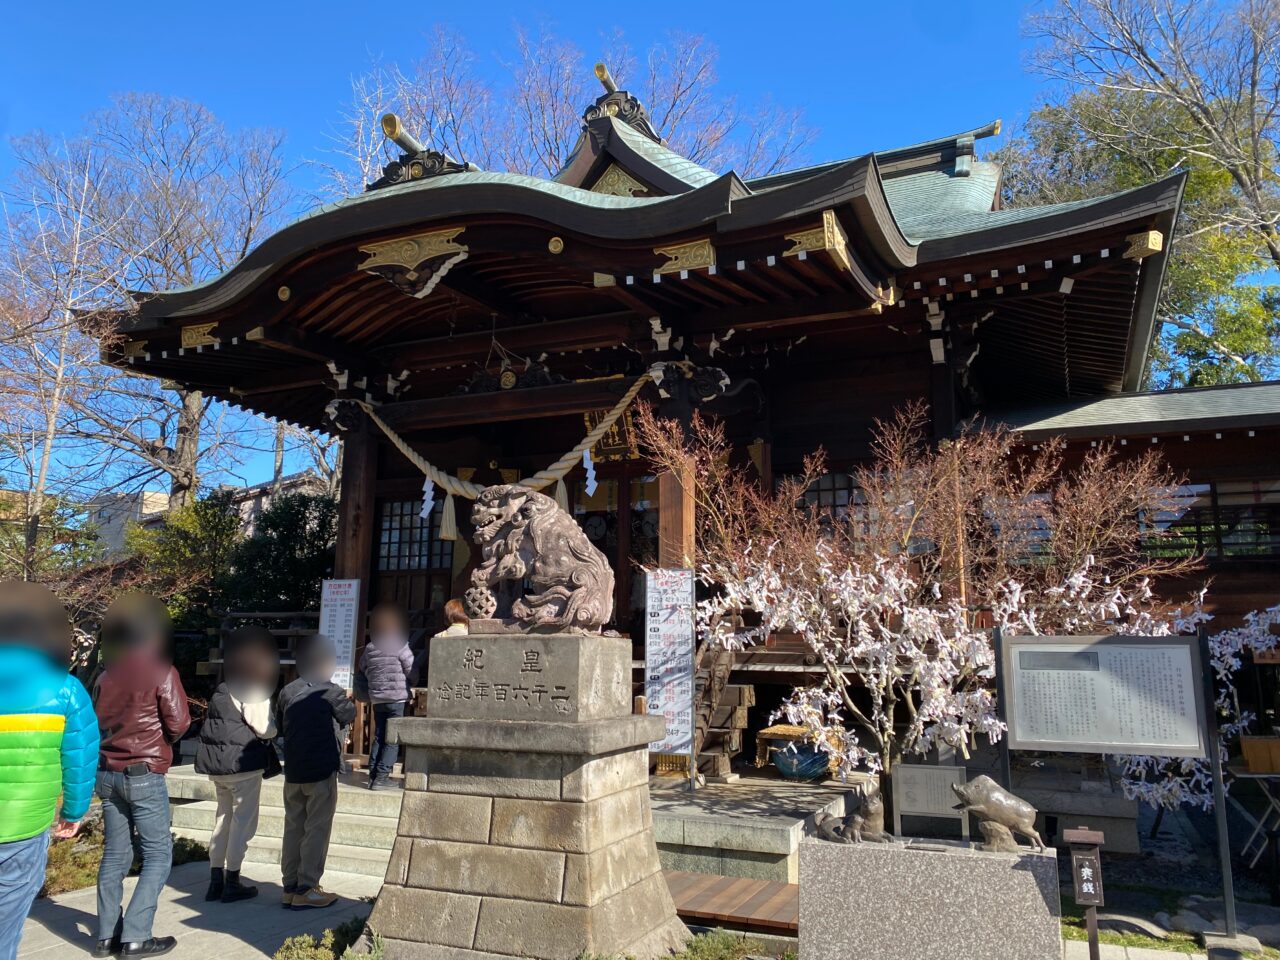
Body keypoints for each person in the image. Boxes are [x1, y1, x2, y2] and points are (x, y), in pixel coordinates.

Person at [0, 582, 98, 960]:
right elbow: (81, 756)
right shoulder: (66, 689)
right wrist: (74, 812)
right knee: (6, 924)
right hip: (25, 827)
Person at [92, 594, 191, 959]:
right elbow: (179, 723)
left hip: (107, 772)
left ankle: (105, 937)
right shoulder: (162, 671)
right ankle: (136, 934)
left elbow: (95, 722)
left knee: (115, 855)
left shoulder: (107, 673)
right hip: (145, 773)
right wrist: (163, 740)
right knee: (158, 855)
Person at [195, 626, 281, 903]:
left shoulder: (222, 688)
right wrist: (276, 730)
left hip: (218, 768)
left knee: (222, 820)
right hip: (243, 767)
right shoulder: (252, 688)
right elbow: (263, 728)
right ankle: (233, 880)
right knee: (242, 824)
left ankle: (214, 880)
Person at [276, 634, 355, 910]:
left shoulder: (287, 691)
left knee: (293, 825)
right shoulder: (330, 691)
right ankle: (307, 887)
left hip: (294, 769)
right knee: (317, 827)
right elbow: (349, 714)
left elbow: (280, 725)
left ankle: (289, 886)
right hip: (321, 768)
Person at [359, 604, 413, 791]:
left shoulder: (370, 647)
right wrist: (410, 682)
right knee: (392, 738)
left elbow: (362, 668)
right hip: (397, 698)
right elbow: (410, 668)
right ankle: (382, 777)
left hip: (378, 698)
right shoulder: (400, 644)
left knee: (380, 735)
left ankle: (373, 774)